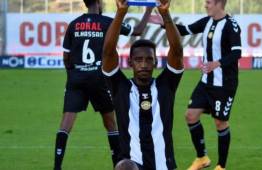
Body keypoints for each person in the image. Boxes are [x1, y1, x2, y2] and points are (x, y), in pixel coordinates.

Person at [53, 0, 152, 169]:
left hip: (76, 79)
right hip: (99, 79)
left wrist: (74, 75)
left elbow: (66, 58)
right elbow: (138, 30)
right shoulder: (108, 22)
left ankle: (57, 167)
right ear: (99, 3)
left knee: (65, 125)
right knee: (111, 124)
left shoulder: (74, 25)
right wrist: (149, 10)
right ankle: (117, 165)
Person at [149, 0, 241, 169]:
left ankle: (221, 166)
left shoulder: (231, 25)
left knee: (220, 122)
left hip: (224, 84)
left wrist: (217, 63)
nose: (205, 5)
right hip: (206, 82)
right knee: (190, 115)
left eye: (209, 2)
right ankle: (202, 158)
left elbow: (237, 52)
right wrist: (164, 22)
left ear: (220, 3)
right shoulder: (207, 22)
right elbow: (184, 30)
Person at [102, 0, 183, 169]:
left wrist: (165, 13)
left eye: (149, 59)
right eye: (138, 60)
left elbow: (177, 51)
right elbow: (108, 52)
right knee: (123, 166)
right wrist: (120, 13)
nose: (144, 64)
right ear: (130, 62)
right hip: (133, 164)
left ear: (155, 62)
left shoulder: (165, 85)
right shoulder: (120, 87)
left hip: (163, 165)